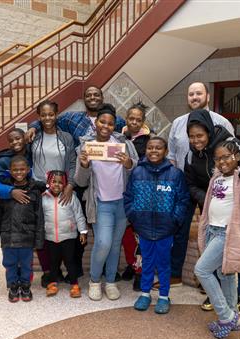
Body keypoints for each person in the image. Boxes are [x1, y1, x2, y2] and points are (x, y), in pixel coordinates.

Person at [26, 86, 126, 280]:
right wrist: (32, 126)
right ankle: (71, 268)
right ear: (83, 99)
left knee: (95, 230)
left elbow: (131, 129)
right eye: (88, 95)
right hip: (80, 183)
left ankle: (105, 269)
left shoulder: (116, 120)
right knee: (72, 225)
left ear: (102, 98)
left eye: (96, 94)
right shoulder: (71, 118)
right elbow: (47, 119)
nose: (92, 97)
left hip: (104, 186)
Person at [184, 108, 240, 313]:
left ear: (209, 133)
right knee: (224, 269)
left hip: (238, 212)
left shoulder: (228, 142)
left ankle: (238, 301)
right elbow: (192, 183)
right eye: (191, 137)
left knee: (239, 258)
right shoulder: (196, 157)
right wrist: (208, 199)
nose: (196, 140)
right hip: (215, 217)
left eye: (200, 136)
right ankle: (224, 302)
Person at [0, 100, 77, 289]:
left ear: (57, 114)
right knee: (42, 231)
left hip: (60, 189)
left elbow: (72, 163)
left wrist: (69, 184)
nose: (47, 118)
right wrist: (32, 127)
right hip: (38, 191)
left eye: (51, 114)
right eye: (43, 115)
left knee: (63, 230)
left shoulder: (67, 138)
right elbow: (20, 153)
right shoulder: (33, 138)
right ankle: (49, 271)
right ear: (39, 117)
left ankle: (64, 270)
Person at [162, 82, 235, 291]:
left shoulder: (222, 123)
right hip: (184, 185)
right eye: (191, 94)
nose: (194, 97)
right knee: (179, 229)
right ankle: (175, 274)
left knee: (213, 231)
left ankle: (210, 278)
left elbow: (231, 154)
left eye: (198, 93)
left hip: (213, 188)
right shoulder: (177, 123)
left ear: (208, 96)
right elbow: (172, 156)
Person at [194, 141, 240, 339]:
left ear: (238, 157)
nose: (222, 161)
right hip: (213, 231)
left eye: (227, 156)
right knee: (224, 274)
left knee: (201, 269)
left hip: (228, 235)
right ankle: (235, 317)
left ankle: (225, 317)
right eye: (218, 158)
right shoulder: (216, 178)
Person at [75, 103, 139, 301]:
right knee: (103, 242)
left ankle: (110, 281)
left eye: (110, 123)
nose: (106, 126)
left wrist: (128, 164)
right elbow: (80, 181)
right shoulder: (86, 147)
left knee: (114, 244)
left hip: (121, 202)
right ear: (96, 123)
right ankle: (95, 281)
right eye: (102, 122)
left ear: (114, 126)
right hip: (100, 202)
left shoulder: (124, 143)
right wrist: (84, 165)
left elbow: (135, 168)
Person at [124, 137, 189, 314]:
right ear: (145, 150)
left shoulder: (175, 174)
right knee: (146, 262)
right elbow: (128, 197)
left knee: (163, 263)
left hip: (165, 229)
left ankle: (163, 296)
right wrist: (134, 218)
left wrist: (174, 220)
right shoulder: (137, 172)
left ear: (166, 151)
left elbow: (183, 200)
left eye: (158, 148)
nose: (154, 151)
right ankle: (145, 294)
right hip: (143, 227)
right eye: (150, 148)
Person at [0, 155, 46, 302]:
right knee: (10, 263)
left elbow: (39, 217)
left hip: (27, 236)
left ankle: (26, 286)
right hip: (8, 236)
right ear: (10, 171)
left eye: (22, 169)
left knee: (27, 264)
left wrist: (39, 240)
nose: (19, 172)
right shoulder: (5, 192)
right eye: (15, 170)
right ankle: (13, 286)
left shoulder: (34, 191)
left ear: (28, 170)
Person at [121, 101, 153, 290]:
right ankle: (132, 264)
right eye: (131, 118)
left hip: (142, 194)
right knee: (126, 233)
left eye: (138, 119)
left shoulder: (149, 141)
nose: (134, 122)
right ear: (126, 119)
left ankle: (141, 271)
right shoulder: (118, 137)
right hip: (122, 193)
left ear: (143, 121)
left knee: (141, 234)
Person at [42, 170, 88, 298]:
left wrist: (83, 231)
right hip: (50, 237)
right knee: (53, 262)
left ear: (65, 184)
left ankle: (74, 284)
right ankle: (52, 283)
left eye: (60, 182)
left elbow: (79, 215)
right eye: (53, 181)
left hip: (68, 236)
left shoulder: (71, 197)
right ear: (48, 183)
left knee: (70, 261)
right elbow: (40, 218)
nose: (57, 185)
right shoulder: (43, 198)